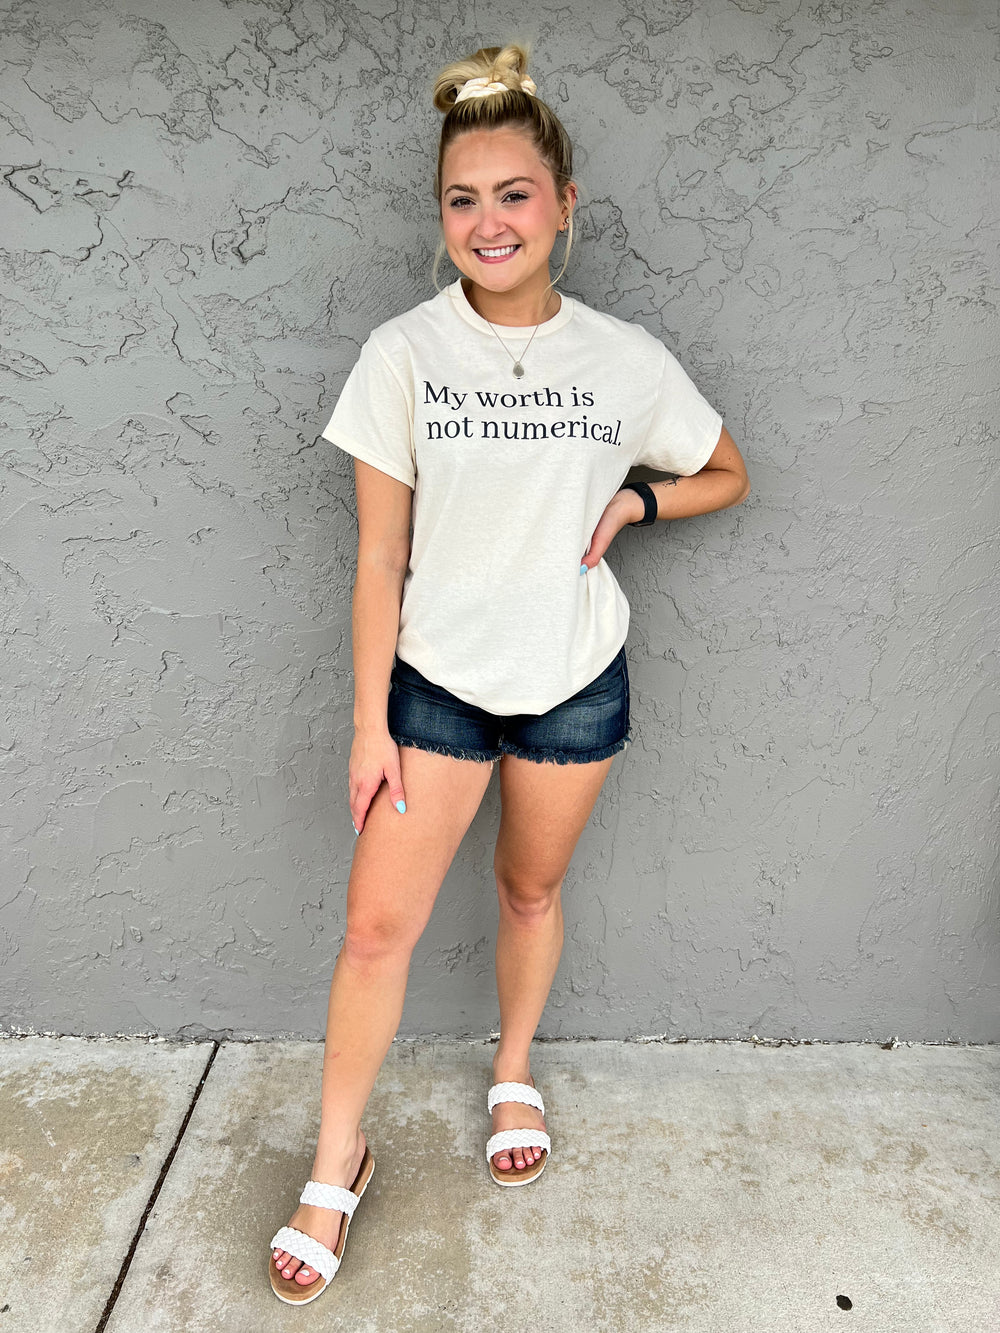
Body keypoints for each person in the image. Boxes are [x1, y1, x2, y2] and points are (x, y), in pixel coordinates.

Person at [267, 41, 750, 1305]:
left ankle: (513, 1067)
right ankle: (336, 1159)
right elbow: (379, 556)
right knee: (375, 930)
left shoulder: (623, 358)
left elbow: (727, 471)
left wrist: (638, 502)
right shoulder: (403, 354)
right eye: (463, 199)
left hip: (574, 682)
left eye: (515, 194)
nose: (489, 222)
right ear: (441, 217)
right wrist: (367, 722)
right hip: (435, 687)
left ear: (564, 205)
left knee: (529, 892)